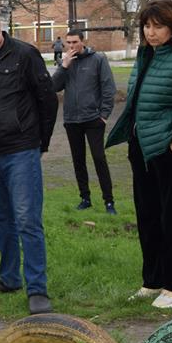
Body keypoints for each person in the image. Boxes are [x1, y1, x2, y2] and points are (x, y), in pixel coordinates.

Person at [107, 0, 172, 309]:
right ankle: (152, 281)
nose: (151, 32)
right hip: (142, 148)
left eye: (158, 26)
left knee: (171, 217)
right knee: (147, 215)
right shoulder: (145, 55)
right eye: (147, 26)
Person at [0, 4, 58, 315]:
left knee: (27, 219)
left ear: (0, 24)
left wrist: (40, 143)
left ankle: (37, 289)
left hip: (21, 151)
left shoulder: (24, 54)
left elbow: (47, 99)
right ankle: (9, 278)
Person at [52, 30, 117, 214]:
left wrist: (104, 115)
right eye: (69, 43)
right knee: (78, 160)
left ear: (83, 41)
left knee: (99, 158)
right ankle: (85, 198)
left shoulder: (98, 59)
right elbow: (53, 87)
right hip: (72, 120)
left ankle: (109, 201)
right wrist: (64, 66)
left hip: (93, 118)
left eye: (75, 42)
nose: (71, 46)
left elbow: (108, 88)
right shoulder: (66, 62)